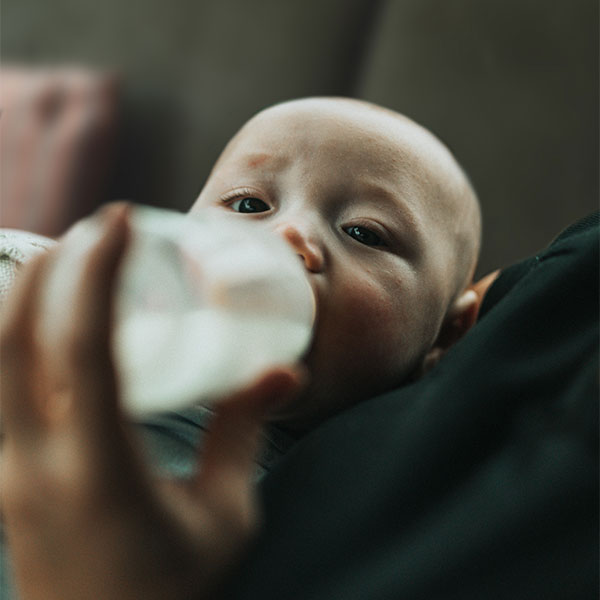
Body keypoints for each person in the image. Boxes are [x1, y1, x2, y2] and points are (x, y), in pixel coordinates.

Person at [7, 97, 590, 600]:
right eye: (247, 204)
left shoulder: (335, 511)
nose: (289, 237)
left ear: (450, 335)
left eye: (364, 232)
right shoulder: (117, 342)